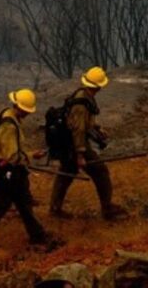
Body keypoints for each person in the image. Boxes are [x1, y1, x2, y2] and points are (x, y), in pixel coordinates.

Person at [0, 88, 58, 249]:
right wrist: (27, 160)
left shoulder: (11, 117)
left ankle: (37, 235)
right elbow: (11, 155)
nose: (28, 113)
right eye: (26, 110)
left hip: (13, 171)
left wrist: (31, 155)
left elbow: (15, 150)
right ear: (18, 107)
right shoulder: (9, 126)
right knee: (0, 205)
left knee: (24, 204)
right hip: (9, 172)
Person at [49, 66, 129, 220]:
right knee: (101, 172)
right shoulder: (81, 103)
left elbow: (83, 123)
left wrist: (97, 129)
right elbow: (78, 130)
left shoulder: (84, 96)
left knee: (66, 174)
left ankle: (54, 208)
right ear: (98, 85)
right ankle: (107, 209)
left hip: (70, 144)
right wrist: (80, 154)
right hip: (75, 144)